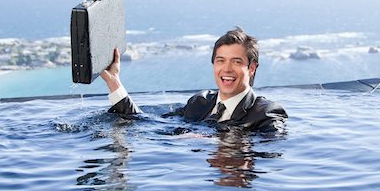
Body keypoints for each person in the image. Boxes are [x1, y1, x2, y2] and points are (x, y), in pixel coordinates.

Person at [101, 27, 288, 132]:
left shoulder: (267, 113)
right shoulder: (199, 102)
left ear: (252, 68)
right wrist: (114, 82)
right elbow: (148, 123)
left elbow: (270, 151)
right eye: (220, 61)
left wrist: (213, 140)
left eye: (236, 61)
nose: (227, 69)